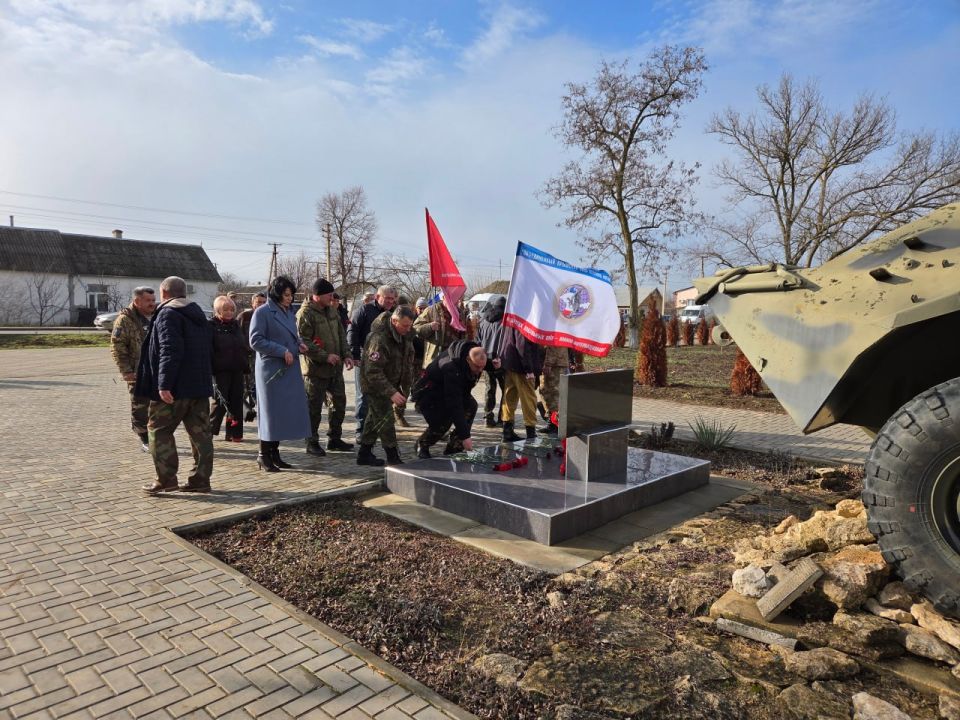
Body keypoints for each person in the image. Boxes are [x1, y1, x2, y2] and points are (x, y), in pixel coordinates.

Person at [134, 276, 213, 494]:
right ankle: (201, 481)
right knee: (201, 435)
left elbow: (170, 350)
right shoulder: (198, 314)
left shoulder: (168, 314)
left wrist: (164, 384)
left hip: (175, 388)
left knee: (158, 431)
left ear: (165, 293)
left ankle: (166, 479)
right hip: (199, 386)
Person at [249, 276, 311, 472]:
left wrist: (298, 344)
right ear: (276, 294)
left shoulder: (289, 313)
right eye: (286, 295)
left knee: (282, 413)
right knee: (270, 413)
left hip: (289, 368)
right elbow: (255, 340)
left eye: (291, 295)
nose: (289, 298)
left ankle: (275, 454)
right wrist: (280, 350)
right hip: (271, 370)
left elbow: (291, 334)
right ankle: (263, 455)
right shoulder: (262, 312)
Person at [411, 340, 499, 458]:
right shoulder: (451, 368)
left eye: (482, 368)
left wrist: (493, 365)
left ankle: (454, 447)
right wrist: (466, 436)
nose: (479, 371)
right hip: (430, 394)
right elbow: (455, 405)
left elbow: (481, 362)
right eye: (477, 367)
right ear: (468, 359)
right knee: (443, 421)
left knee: (471, 406)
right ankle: (423, 444)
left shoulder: (472, 354)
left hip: (453, 391)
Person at [297, 278, 354, 456]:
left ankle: (334, 439)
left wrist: (347, 355)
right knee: (313, 408)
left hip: (335, 369)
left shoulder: (332, 311)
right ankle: (311, 442)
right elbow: (303, 341)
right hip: (315, 370)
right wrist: (324, 356)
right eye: (329, 294)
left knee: (339, 404)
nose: (332, 297)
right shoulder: (305, 313)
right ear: (317, 295)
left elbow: (341, 335)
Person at [357, 306, 415, 467]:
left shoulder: (404, 334)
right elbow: (373, 371)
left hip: (391, 383)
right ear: (394, 321)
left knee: (373, 419)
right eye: (405, 325)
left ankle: (364, 454)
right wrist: (391, 392)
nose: (408, 329)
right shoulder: (379, 339)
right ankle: (393, 456)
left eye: (410, 325)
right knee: (385, 419)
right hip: (375, 385)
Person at [347, 285, 398, 439]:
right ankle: (360, 431)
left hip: (385, 362)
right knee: (363, 395)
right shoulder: (363, 311)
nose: (390, 301)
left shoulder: (393, 314)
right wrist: (354, 354)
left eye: (392, 299)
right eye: (387, 298)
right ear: (377, 297)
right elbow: (352, 332)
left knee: (383, 396)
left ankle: (378, 429)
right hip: (364, 359)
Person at [110, 286, 156, 452]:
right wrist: (126, 371)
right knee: (140, 405)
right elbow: (117, 347)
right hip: (137, 370)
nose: (152, 304)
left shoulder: (157, 315)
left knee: (156, 404)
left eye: (153, 300)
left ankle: (155, 435)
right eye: (148, 301)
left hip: (157, 369)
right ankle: (144, 438)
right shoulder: (125, 320)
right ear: (137, 301)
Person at [209, 295, 248, 442]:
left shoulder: (236, 325)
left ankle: (234, 433)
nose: (230, 312)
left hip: (237, 368)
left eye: (232, 309)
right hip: (220, 370)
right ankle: (209, 433)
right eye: (226, 309)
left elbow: (242, 344)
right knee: (220, 402)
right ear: (218, 310)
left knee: (236, 402)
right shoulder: (211, 326)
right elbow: (208, 348)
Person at [498, 325, 544, 442]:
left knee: (509, 397)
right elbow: (522, 345)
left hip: (510, 363)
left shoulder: (513, 316)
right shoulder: (523, 319)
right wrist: (528, 369)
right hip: (522, 367)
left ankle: (507, 431)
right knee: (528, 398)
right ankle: (531, 433)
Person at [476, 294, 506, 428]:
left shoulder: (483, 321)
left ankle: (487, 417)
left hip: (485, 360)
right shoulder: (506, 322)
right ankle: (503, 418)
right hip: (502, 361)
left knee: (489, 389)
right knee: (506, 390)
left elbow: (477, 342)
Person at [413, 299, 467, 368]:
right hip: (434, 360)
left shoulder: (459, 313)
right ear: (444, 297)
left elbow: (465, 337)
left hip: (453, 361)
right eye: (453, 297)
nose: (456, 301)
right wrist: (430, 327)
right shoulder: (432, 310)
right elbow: (415, 329)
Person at [238, 291, 266, 421]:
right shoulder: (244, 316)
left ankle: (260, 412)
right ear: (252, 303)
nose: (260, 305)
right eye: (258, 302)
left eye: (263, 302)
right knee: (244, 387)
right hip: (245, 357)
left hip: (262, 357)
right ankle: (240, 414)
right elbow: (236, 336)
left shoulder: (267, 317)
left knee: (259, 386)